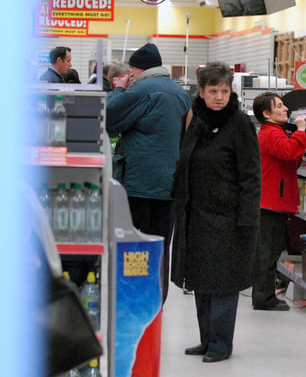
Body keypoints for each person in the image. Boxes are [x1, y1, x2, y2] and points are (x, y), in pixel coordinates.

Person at [170, 62, 261, 363]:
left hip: (228, 218)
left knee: (223, 283)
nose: (220, 96)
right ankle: (206, 339)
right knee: (199, 281)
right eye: (213, 91)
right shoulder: (195, 120)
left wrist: (247, 217)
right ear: (202, 91)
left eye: (224, 90)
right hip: (196, 214)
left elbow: (251, 175)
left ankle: (221, 344)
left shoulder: (240, 123)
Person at [106, 43, 191, 304]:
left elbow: (108, 119)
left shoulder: (141, 89)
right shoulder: (181, 93)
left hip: (138, 184)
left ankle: (133, 298)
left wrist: (119, 89)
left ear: (135, 69)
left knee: (133, 244)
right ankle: (157, 300)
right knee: (160, 246)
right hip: (170, 185)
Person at [251, 92, 306, 311]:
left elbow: (288, 162)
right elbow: (287, 151)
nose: (285, 108)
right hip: (270, 202)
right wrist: (301, 131)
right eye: (279, 106)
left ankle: (264, 295)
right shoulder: (272, 134)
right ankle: (263, 298)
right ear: (267, 114)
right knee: (267, 251)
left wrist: (298, 149)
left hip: (273, 201)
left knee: (271, 250)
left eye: (284, 105)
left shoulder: (273, 133)